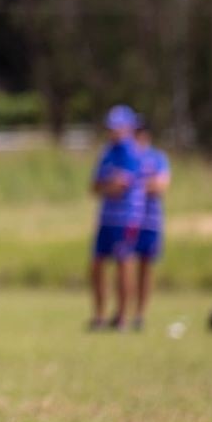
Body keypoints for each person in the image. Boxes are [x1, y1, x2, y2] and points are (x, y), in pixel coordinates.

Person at [88, 104, 144, 331]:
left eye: (118, 127)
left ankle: (121, 317)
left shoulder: (131, 152)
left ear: (129, 128)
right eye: (111, 127)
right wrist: (108, 184)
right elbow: (94, 186)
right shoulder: (106, 153)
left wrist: (107, 184)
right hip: (106, 219)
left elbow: (121, 186)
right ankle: (100, 316)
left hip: (127, 219)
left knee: (124, 265)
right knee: (97, 265)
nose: (113, 132)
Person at [131, 123, 171, 330]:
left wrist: (136, 183)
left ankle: (140, 314)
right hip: (128, 221)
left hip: (151, 221)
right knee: (125, 267)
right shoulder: (127, 156)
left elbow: (161, 185)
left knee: (146, 268)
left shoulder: (158, 158)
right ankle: (123, 312)